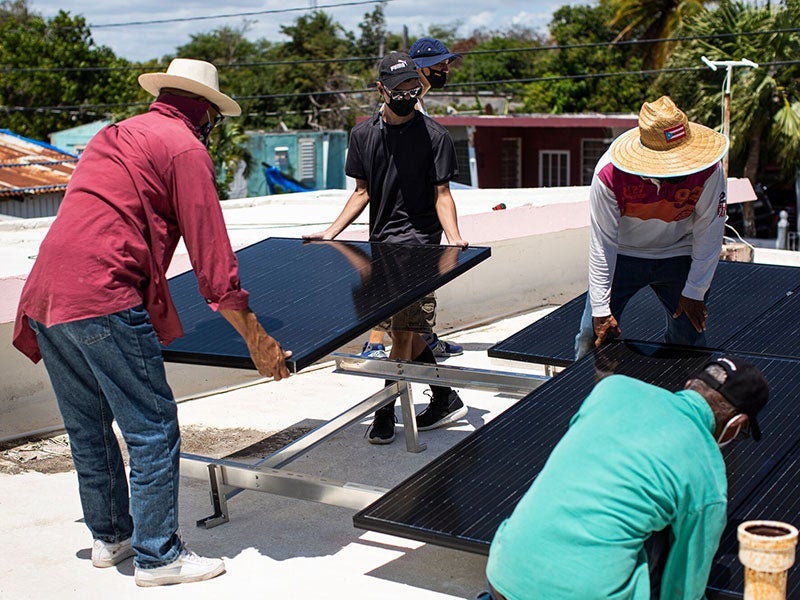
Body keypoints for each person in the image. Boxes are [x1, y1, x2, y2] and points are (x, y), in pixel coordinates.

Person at [12, 58, 292, 587]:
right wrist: (259, 339)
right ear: (206, 112)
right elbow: (213, 262)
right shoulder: (185, 147)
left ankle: (110, 535)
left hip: (47, 294)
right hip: (104, 294)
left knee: (88, 426)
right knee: (152, 428)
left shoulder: (115, 134)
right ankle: (159, 556)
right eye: (213, 119)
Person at [484, 355, 769, 599]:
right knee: (669, 539)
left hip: (503, 573)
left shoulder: (611, 388)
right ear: (736, 424)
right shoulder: (708, 474)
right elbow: (683, 587)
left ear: (689, 386)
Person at [304, 51, 469, 444]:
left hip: (421, 248)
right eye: (399, 89)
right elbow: (361, 193)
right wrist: (331, 233)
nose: (408, 94)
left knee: (400, 332)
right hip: (381, 248)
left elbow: (442, 194)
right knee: (408, 335)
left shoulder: (435, 136)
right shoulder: (363, 135)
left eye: (413, 87)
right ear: (381, 89)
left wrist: (455, 237)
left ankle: (384, 410)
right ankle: (446, 397)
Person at [575, 96, 729, 360]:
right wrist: (600, 308)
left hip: (678, 251)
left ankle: (679, 395)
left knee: (690, 338)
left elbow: (710, 230)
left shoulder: (709, 171)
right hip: (623, 254)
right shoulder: (609, 176)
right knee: (592, 335)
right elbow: (603, 243)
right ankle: (582, 395)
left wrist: (695, 291)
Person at [359, 37, 465, 361]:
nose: (446, 69)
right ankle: (377, 345)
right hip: (402, 229)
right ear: (419, 68)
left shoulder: (418, 102)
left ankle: (424, 345)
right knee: (399, 308)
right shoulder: (406, 106)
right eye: (440, 64)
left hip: (409, 230)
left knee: (407, 311)